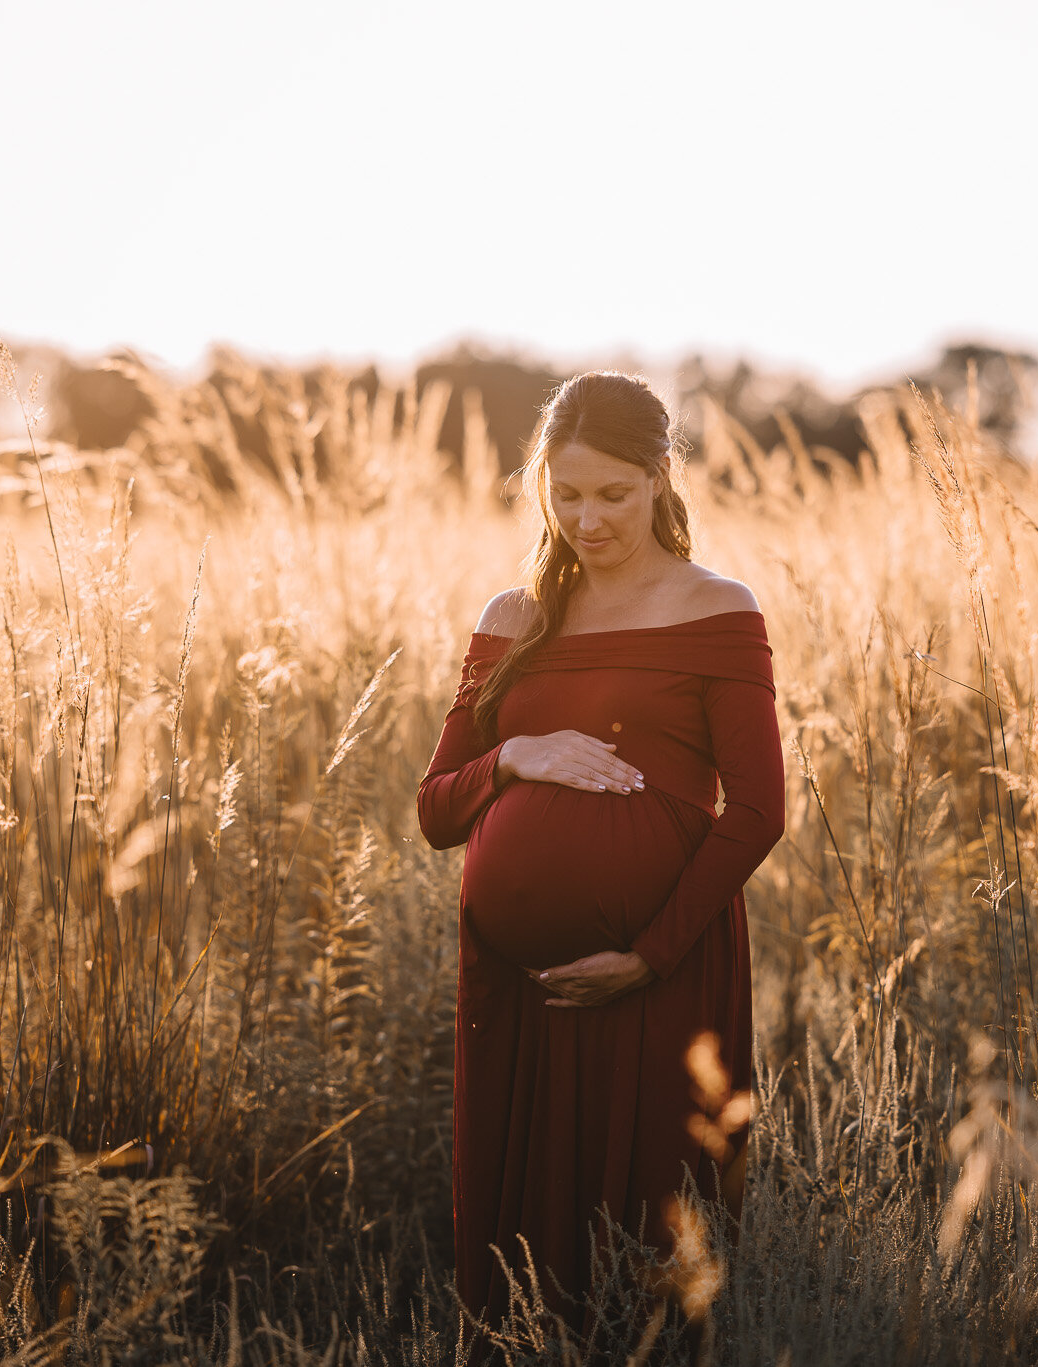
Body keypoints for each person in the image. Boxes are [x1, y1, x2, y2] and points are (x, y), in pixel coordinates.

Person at [416, 370, 786, 1340]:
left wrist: (646, 954)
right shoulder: (513, 618)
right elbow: (433, 810)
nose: (587, 517)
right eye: (564, 491)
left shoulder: (715, 608)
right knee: (524, 1253)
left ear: (661, 477)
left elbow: (755, 810)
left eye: (612, 492)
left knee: (646, 1239)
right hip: (516, 987)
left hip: (658, 969)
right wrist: (512, 756)